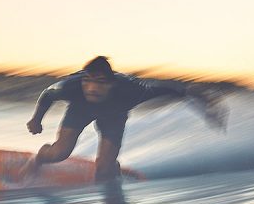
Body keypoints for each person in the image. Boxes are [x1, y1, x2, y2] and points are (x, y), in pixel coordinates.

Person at [18, 56, 225, 181]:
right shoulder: (72, 86)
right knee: (60, 153)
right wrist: (36, 120)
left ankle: (112, 171)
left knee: (104, 171)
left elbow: (178, 89)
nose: (91, 88)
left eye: (99, 82)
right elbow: (48, 94)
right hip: (80, 110)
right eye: (87, 81)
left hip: (114, 115)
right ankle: (37, 160)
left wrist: (207, 106)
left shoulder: (132, 91)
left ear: (111, 84)